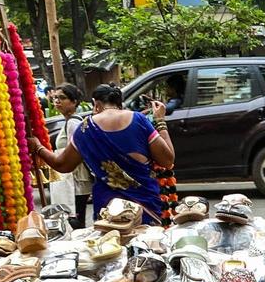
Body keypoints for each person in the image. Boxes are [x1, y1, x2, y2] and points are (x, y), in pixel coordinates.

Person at [30, 84, 173, 220]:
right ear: (119, 103)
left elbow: (63, 165)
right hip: (145, 205)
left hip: (108, 209)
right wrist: (160, 120)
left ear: (96, 104)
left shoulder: (85, 128)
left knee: (112, 244)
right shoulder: (139, 120)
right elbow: (167, 160)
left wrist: (38, 147)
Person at [50, 83, 94, 225]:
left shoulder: (73, 123)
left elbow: (74, 153)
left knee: (75, 222)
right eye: (55, 98)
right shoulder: (69, 121)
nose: (57, 101)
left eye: (62, 98)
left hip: (75, 180)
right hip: (73, 179)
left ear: (74, 102)